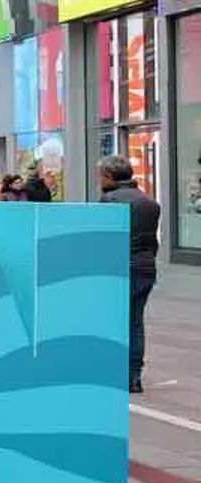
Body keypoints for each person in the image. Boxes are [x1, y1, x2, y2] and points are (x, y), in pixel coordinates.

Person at [98, 155, 160, 394]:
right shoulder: (149, 202)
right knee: (135, 321)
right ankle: (134, 376)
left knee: (113, 320)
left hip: (119, 268)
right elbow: (151, 241)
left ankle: (112, 369)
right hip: (145, 268)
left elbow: (103, 240)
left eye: (101, 176)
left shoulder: (110, 200)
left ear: (109, 176)